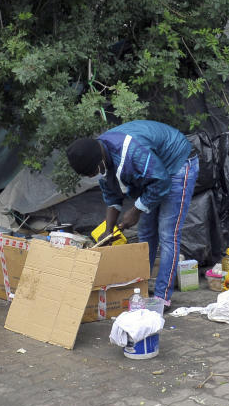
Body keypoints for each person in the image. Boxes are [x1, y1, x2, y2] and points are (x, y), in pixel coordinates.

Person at [66, 120, 198, 307]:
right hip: (155, 172)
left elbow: (161, 182)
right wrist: (109, 229)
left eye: (91, 173)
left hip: (177, 164)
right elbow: (111, 195)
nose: (92, 177)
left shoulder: (131, 154)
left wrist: (136, 210)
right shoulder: (101, 157)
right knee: (145, 234)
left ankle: (161, 298)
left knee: (167, 234)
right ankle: (141, 289)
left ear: (99, 161)